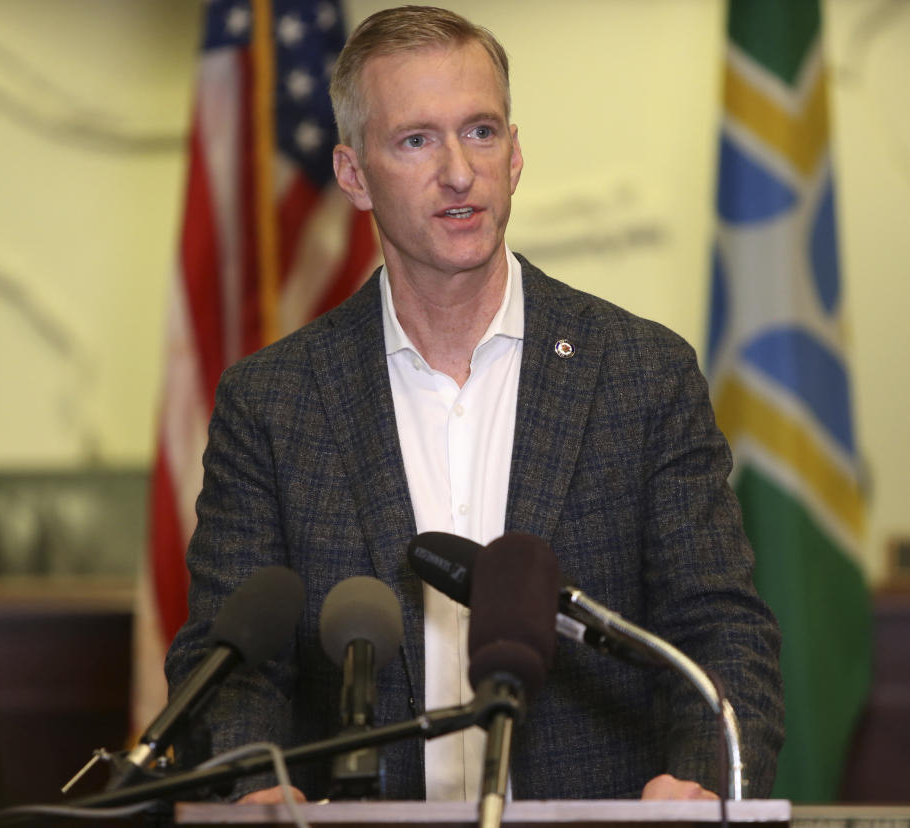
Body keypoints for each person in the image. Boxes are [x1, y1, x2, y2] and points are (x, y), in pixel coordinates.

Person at [165, 5, 783, 804]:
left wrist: (701, 785)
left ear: (516, 155)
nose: (458, 171)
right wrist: (248, 788)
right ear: (353, 175)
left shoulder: (640, 374)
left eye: (481, 132)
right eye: (417, 140)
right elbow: (231, 669)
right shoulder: (273, 404)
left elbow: (721, 634)